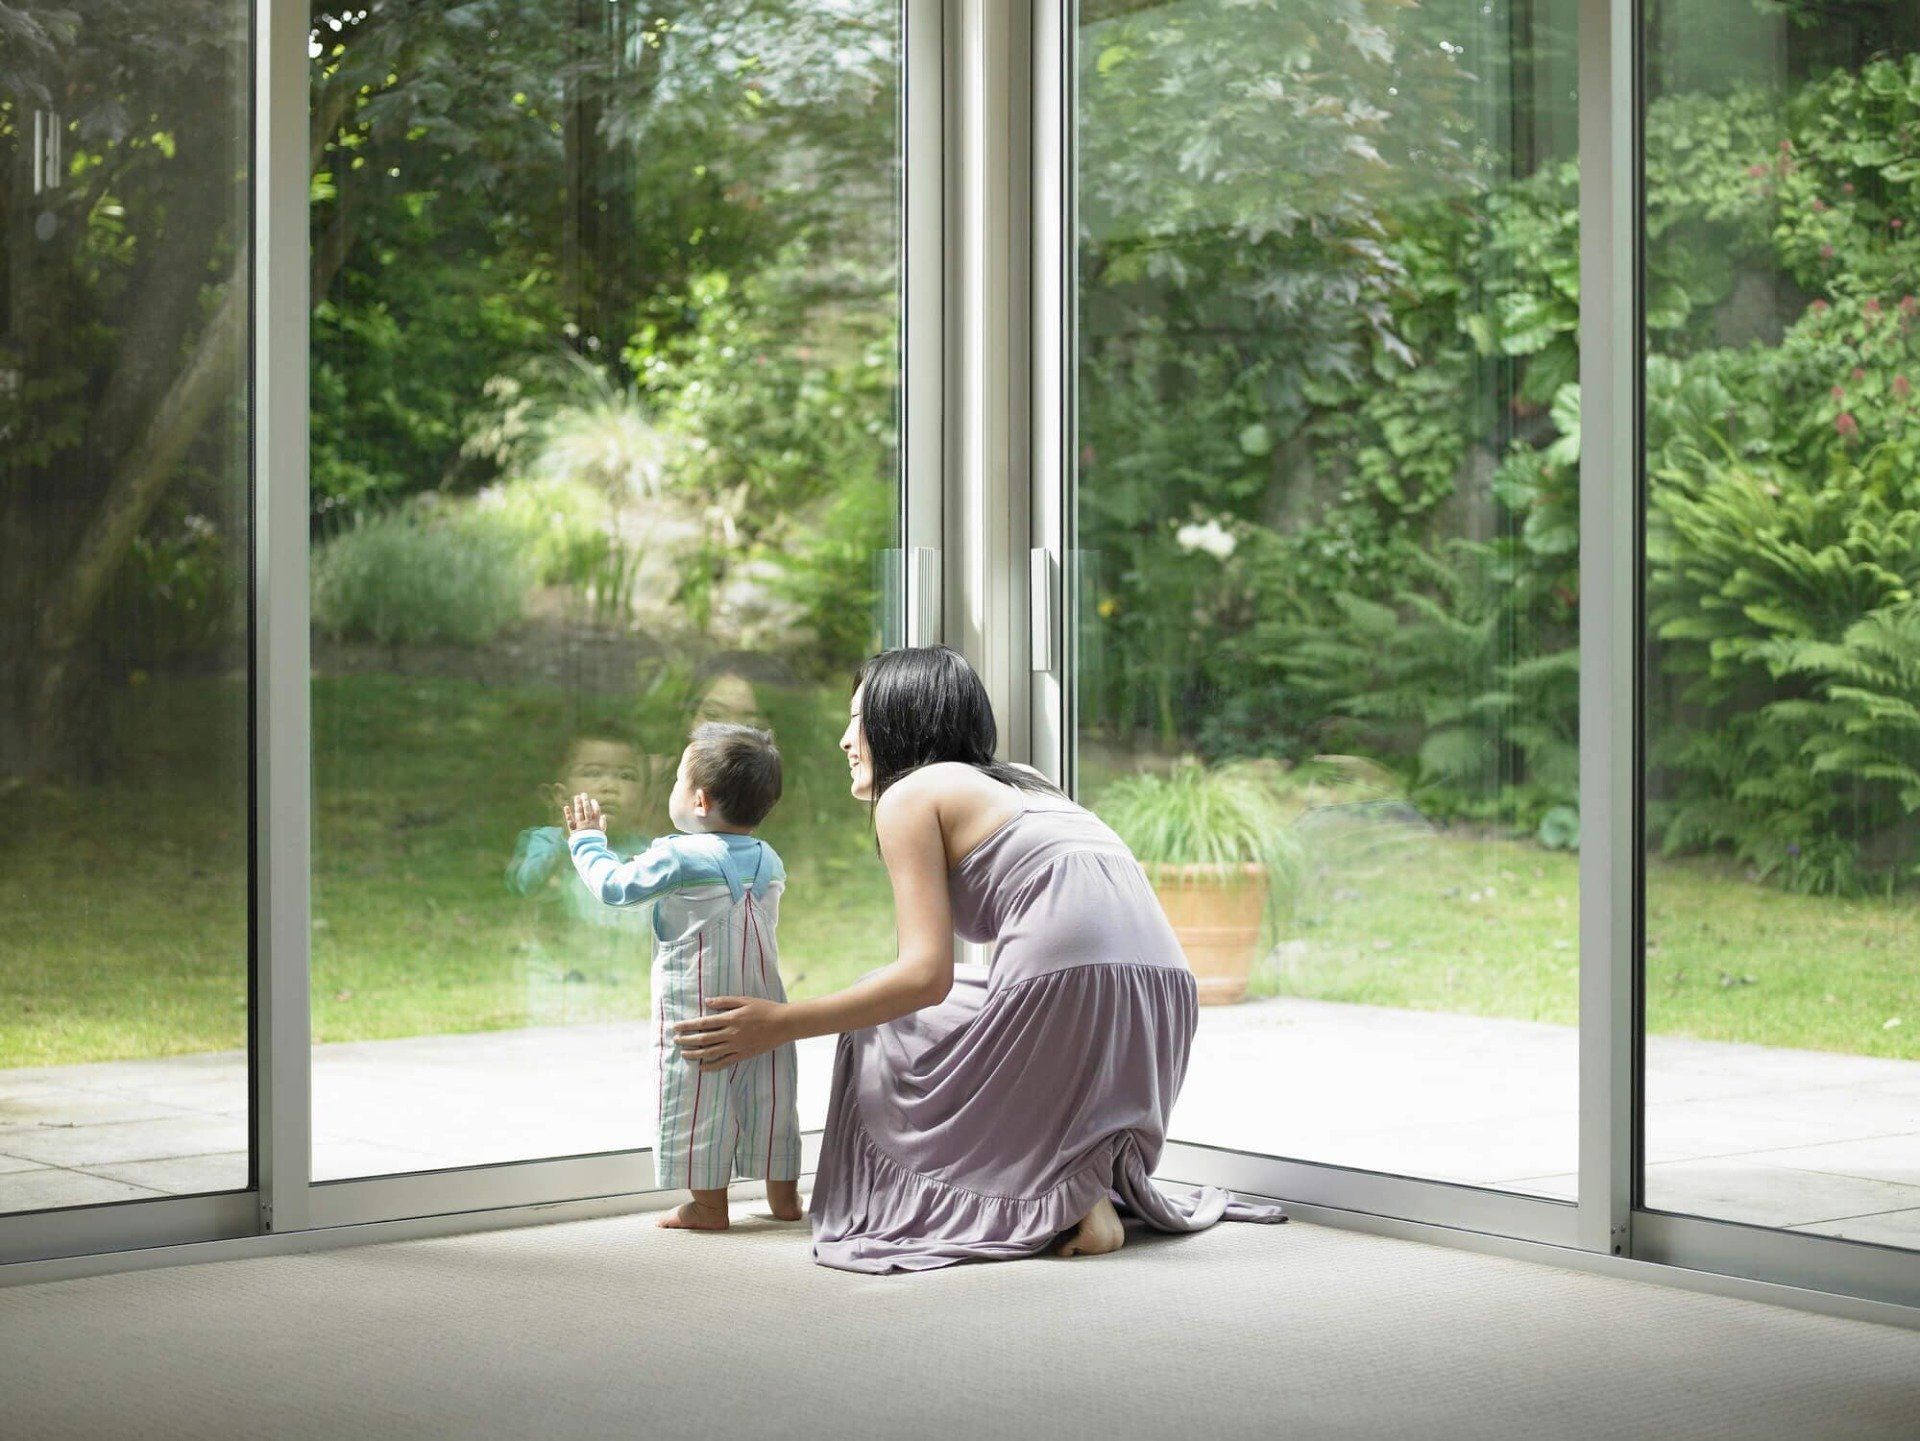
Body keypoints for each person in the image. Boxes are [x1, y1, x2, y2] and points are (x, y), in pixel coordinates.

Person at [670, 645, 1285, 1272]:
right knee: (933, 1004)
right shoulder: (1022, 780)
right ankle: (1085, 1185)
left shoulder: (909, 795)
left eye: (857, 720)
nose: (844, 741)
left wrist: (780, 1022)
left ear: (895, 721)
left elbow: (923, 977)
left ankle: (1055, 1197)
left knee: (882, 1012)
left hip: (1069, 990)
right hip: (1163, 999)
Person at [564, 721, 801, 1231]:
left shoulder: (678, 856)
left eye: (675, 780)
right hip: (766, 1012)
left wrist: (587, 842)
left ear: (698, 801)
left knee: (699, 1103)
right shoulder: (770, 859)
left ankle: (710, 1208)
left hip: (702, 1016)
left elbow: (616, 888)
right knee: (771, 1097)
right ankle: (785, 1200)